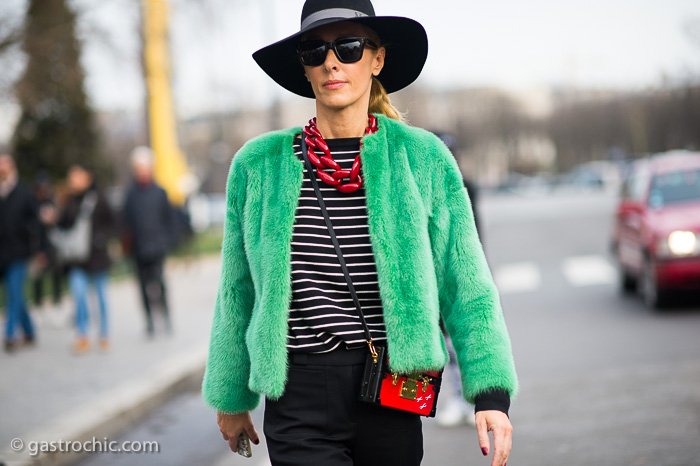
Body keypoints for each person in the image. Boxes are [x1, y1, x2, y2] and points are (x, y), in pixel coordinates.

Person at [201, 1, 518, 465]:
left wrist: (491, 394)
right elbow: (237, 289)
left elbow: (465, 281)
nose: (332, 61)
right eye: (315, 50)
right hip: (298, 394)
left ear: (377, 59)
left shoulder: (421, 158)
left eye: (348, 47)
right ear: (304, 68)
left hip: (391, 388)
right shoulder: (258, 166)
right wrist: (230, 395)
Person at [51, 163, 116, 354]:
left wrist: (100, 239)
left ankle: (104, 334)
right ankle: (82, 335)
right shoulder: (69, 200)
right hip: (76, 259)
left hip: (97, 257)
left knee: (101, 297)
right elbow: (63, 225)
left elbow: (112, 223)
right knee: (79, 296)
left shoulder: (99, 198)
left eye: (77, 176)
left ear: (87, 177)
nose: (73, 180)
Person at [122, 146, 176, 337]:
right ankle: (150, 321)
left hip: (157, 246)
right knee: (142, 287)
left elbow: (168, 218)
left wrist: (166, 239)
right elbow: (125, 222)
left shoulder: (160, 192)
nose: (142, 171)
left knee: (160, 284)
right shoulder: (130, 194)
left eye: (145, 167)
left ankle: (167, 317)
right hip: (138, 248)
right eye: (139, 167)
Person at [0, 154, 39, 353]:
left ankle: (9, 334)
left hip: (19, 252)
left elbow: (35, 222)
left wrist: (38, 248)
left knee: (13, 294)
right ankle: (30, 331)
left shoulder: (23, 192)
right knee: (16, 295)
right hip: (2, 255)